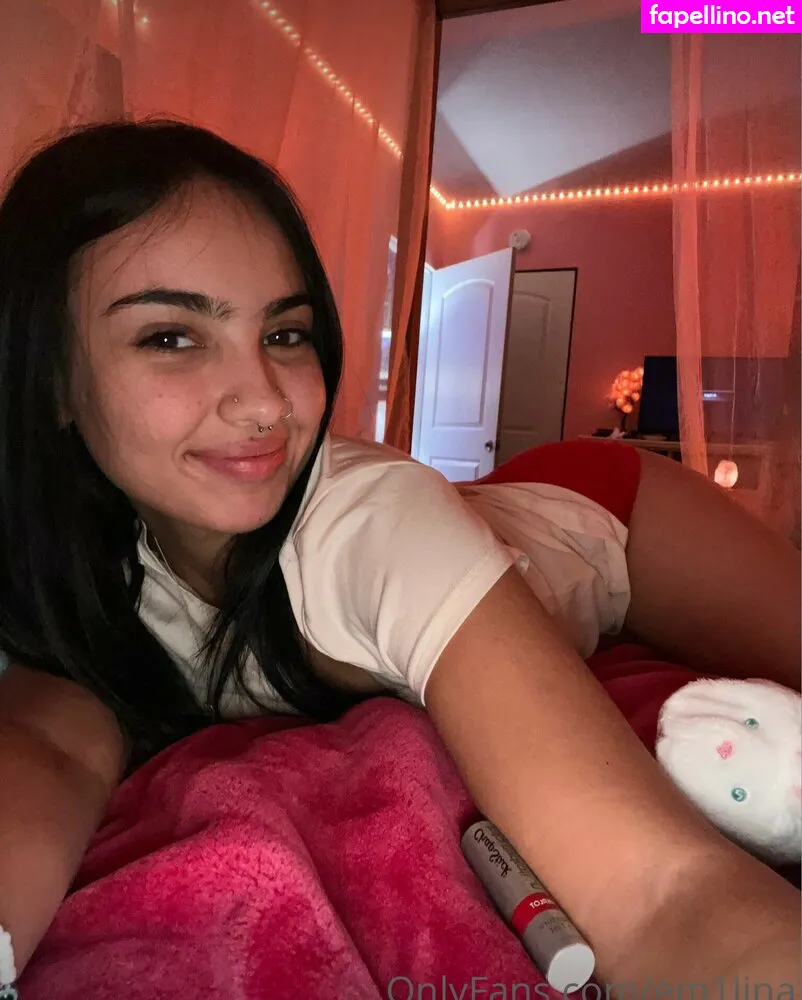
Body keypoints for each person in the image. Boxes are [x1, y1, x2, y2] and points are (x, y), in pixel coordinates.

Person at [0, 120, 798, 993]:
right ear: (52, 376)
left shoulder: (370, 524)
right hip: (474, 512)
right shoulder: (81, 568)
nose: (264, 401)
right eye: (172, 338)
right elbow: (48, 749)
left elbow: (662, 894)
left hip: (606, 514)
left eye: (285, 333)